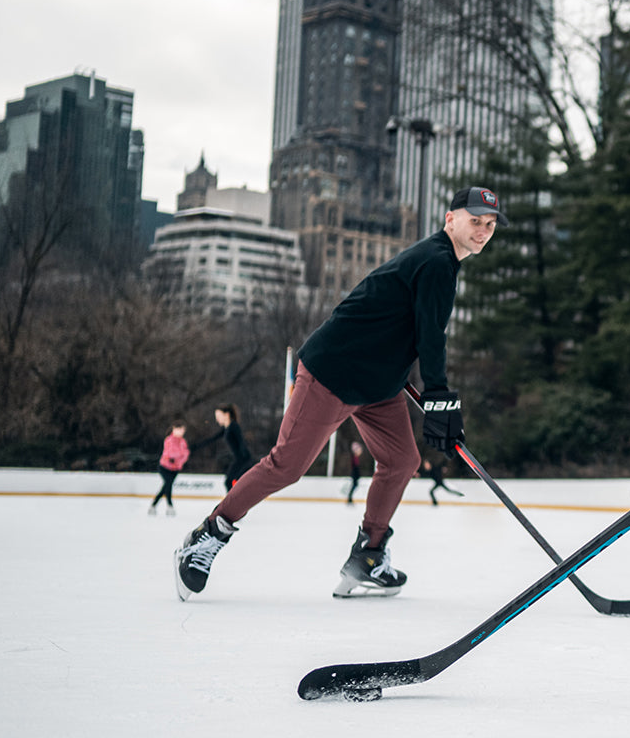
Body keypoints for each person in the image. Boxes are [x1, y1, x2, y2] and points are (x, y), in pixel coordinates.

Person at [173, 186, 507, 601]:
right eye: (475, 221)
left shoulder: (441, 263)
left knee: (402, 460)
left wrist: (436, 396)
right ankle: (208, 535)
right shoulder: (436, 261)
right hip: (333, 373)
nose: (483, 231)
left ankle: (368, 556)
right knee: (287, 465)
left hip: (379, 385)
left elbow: (405, 327)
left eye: (490, 225)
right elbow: (430, 337)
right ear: (450, 220)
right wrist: (438, 395)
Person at [192, 404, 254, 492]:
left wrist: (244, 454)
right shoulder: (226, 428)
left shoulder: (234, 426)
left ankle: (233, 502)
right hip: (239, 459)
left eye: (218, 416)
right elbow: (212, 439)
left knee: (229, 481)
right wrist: (195, 447)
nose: (217, 419)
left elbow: (241, 441)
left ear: (227, 415)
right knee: (229, 481)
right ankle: (233, 501)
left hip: (243, 459)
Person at [149, 422, 190, 516]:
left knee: (166, 486)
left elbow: (185, 454)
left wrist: (179, 459)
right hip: (165, 467)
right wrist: (178, 456)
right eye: (180, 429)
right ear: (174, 429)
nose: (182, 432)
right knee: (168, 484)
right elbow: (170, 453)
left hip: (175, 468)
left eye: (183, 430)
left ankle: (154, 505)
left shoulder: (183, 441)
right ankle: (169, 505)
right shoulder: (169, 440)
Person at [345, 440, 366, 505]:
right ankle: (349, 498)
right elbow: (355, 467)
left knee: (355, 485)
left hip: (355, 473)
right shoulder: (354, 457)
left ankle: (350, 498)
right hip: (354, 473)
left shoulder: (355, 457)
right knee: (354, 485)